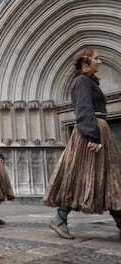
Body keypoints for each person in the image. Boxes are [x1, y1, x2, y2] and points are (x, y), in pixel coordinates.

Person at [43, 47, 121, 239]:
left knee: (112, 177)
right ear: (86, 62)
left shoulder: (88, 81)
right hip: (90, 131)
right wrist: (92, 136)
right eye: (96, 58)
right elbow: (83, 108)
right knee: (80, 175)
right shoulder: (81, 81)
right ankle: (60, 219)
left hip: (99, 130)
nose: (100, 62)